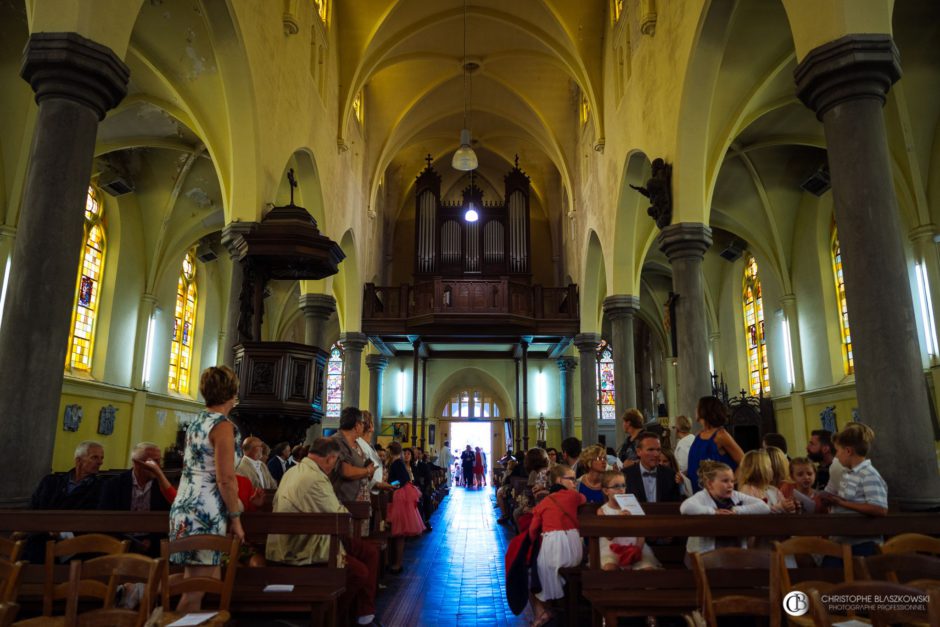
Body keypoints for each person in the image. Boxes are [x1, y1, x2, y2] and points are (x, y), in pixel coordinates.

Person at [266, 437, 381, 627]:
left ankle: (364, 614)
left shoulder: (294, 471)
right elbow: (340, 517)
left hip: (305, 536)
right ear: (330, 458)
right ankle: (335, 618)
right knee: (358, 572)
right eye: (335, 461)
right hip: (301, 547)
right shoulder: (315, 478)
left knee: (370, 552)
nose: (334, 466)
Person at [168, 365, 245, 612]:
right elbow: (225, 479)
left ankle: (138, 588)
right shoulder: (222, 426)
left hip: (185, 505)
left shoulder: (197, 422)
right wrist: (235, 518)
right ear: (232, 393)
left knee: (210, 582)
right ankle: (139, 591)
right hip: (204, 512)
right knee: (195, 590)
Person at [25, 440, 106, 562]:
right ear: (78, 460)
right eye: (94, 457)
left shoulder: (102, 488)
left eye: (101, 458)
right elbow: (32, 510)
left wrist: (63, 532)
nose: (100, 462)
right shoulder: (50, 482)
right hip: (41, 537)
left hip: (76, 543)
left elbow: (94, 520)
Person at [528, 464, 586, 627]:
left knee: (537, 570)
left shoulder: (544, 502)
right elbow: (584, 499)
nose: (575, 483)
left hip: (554, 544)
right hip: (574, 546)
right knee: (545, 568)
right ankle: (550, 609)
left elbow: (533, 530)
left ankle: (543, 610)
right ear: (560, 480)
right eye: (571, 480)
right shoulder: (574, 497)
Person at [819, 423, 888, 560]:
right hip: (844, 540)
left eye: (838, 451)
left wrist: (842, 503)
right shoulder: (848, 473)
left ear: (848, 451)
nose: (836, 457)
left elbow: (880, 508)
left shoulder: (868, 474)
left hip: (863, 544)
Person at [679, 460, 769, 560]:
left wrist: (737, 510)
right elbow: (685, 507)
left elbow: (764, 506)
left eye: (732, 481)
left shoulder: (736, 495)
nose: (730, 485)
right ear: (710, 484)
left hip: (734, 551)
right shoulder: (702, 496)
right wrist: (713, 512)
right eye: (725, 481)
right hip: (702, 555)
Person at [98, 442, 171, 556]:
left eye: (159, 461)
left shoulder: (163, 485)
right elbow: (105, 519)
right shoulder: (114, 485)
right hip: (119, 541)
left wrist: (151, 540)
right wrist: (127, 542)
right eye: (154, 462)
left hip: (153, 544)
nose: (158, 467)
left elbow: (167, 519)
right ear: (137, 463)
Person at [598, 470, 660, 570]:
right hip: (612, 550)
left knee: (648, 571)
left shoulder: (633, 506)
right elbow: (608, 536)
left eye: (623, 485)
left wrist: (637, 549)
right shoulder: (602, 511)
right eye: (616, 486)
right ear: (606, 491)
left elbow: (641, 532)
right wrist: (619, 520)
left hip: (635, 546)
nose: (621, 489)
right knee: (610, 568)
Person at [685, 396, 744, 493]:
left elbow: (744, 461)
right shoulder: (698, 435)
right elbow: (696, 463)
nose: (695, 410)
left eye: (698, 407)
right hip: (698, 493)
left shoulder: (721, 435)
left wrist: (730, 482)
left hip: (716, 494)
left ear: (705, 410)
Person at [386, 443, 425, 572]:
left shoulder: (396, 463)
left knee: (399, 531)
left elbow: (403, 479)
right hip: (402, 494)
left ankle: (397, 563)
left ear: (391, 452)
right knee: (399, 531)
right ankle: (395, 562)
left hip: (400, 496)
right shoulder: (398, 462)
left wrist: (390, 484)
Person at [330, 407, 376, 506]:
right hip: (346, 501)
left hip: (361, 500)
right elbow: (345, 471)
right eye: (363, 423)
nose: (364, 426)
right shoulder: (338, 441)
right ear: (357, 425)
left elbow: (360, 465)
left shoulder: (356, 442)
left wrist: (369, 471)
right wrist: (367, 471)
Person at [625, 432, 682, 503]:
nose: (656, 454)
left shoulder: (670, 475)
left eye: (658, 450)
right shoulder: (625, 476)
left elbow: (675, 506)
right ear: (638, 451)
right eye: (650, 450)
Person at [735, 449, 794, 513]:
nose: (772, 470)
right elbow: (753, 513)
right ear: (758, 469)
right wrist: (779, 507)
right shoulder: (748, 489)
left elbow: (783, 505)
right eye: (769, 467)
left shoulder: (773, 490)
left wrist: (790, 506)